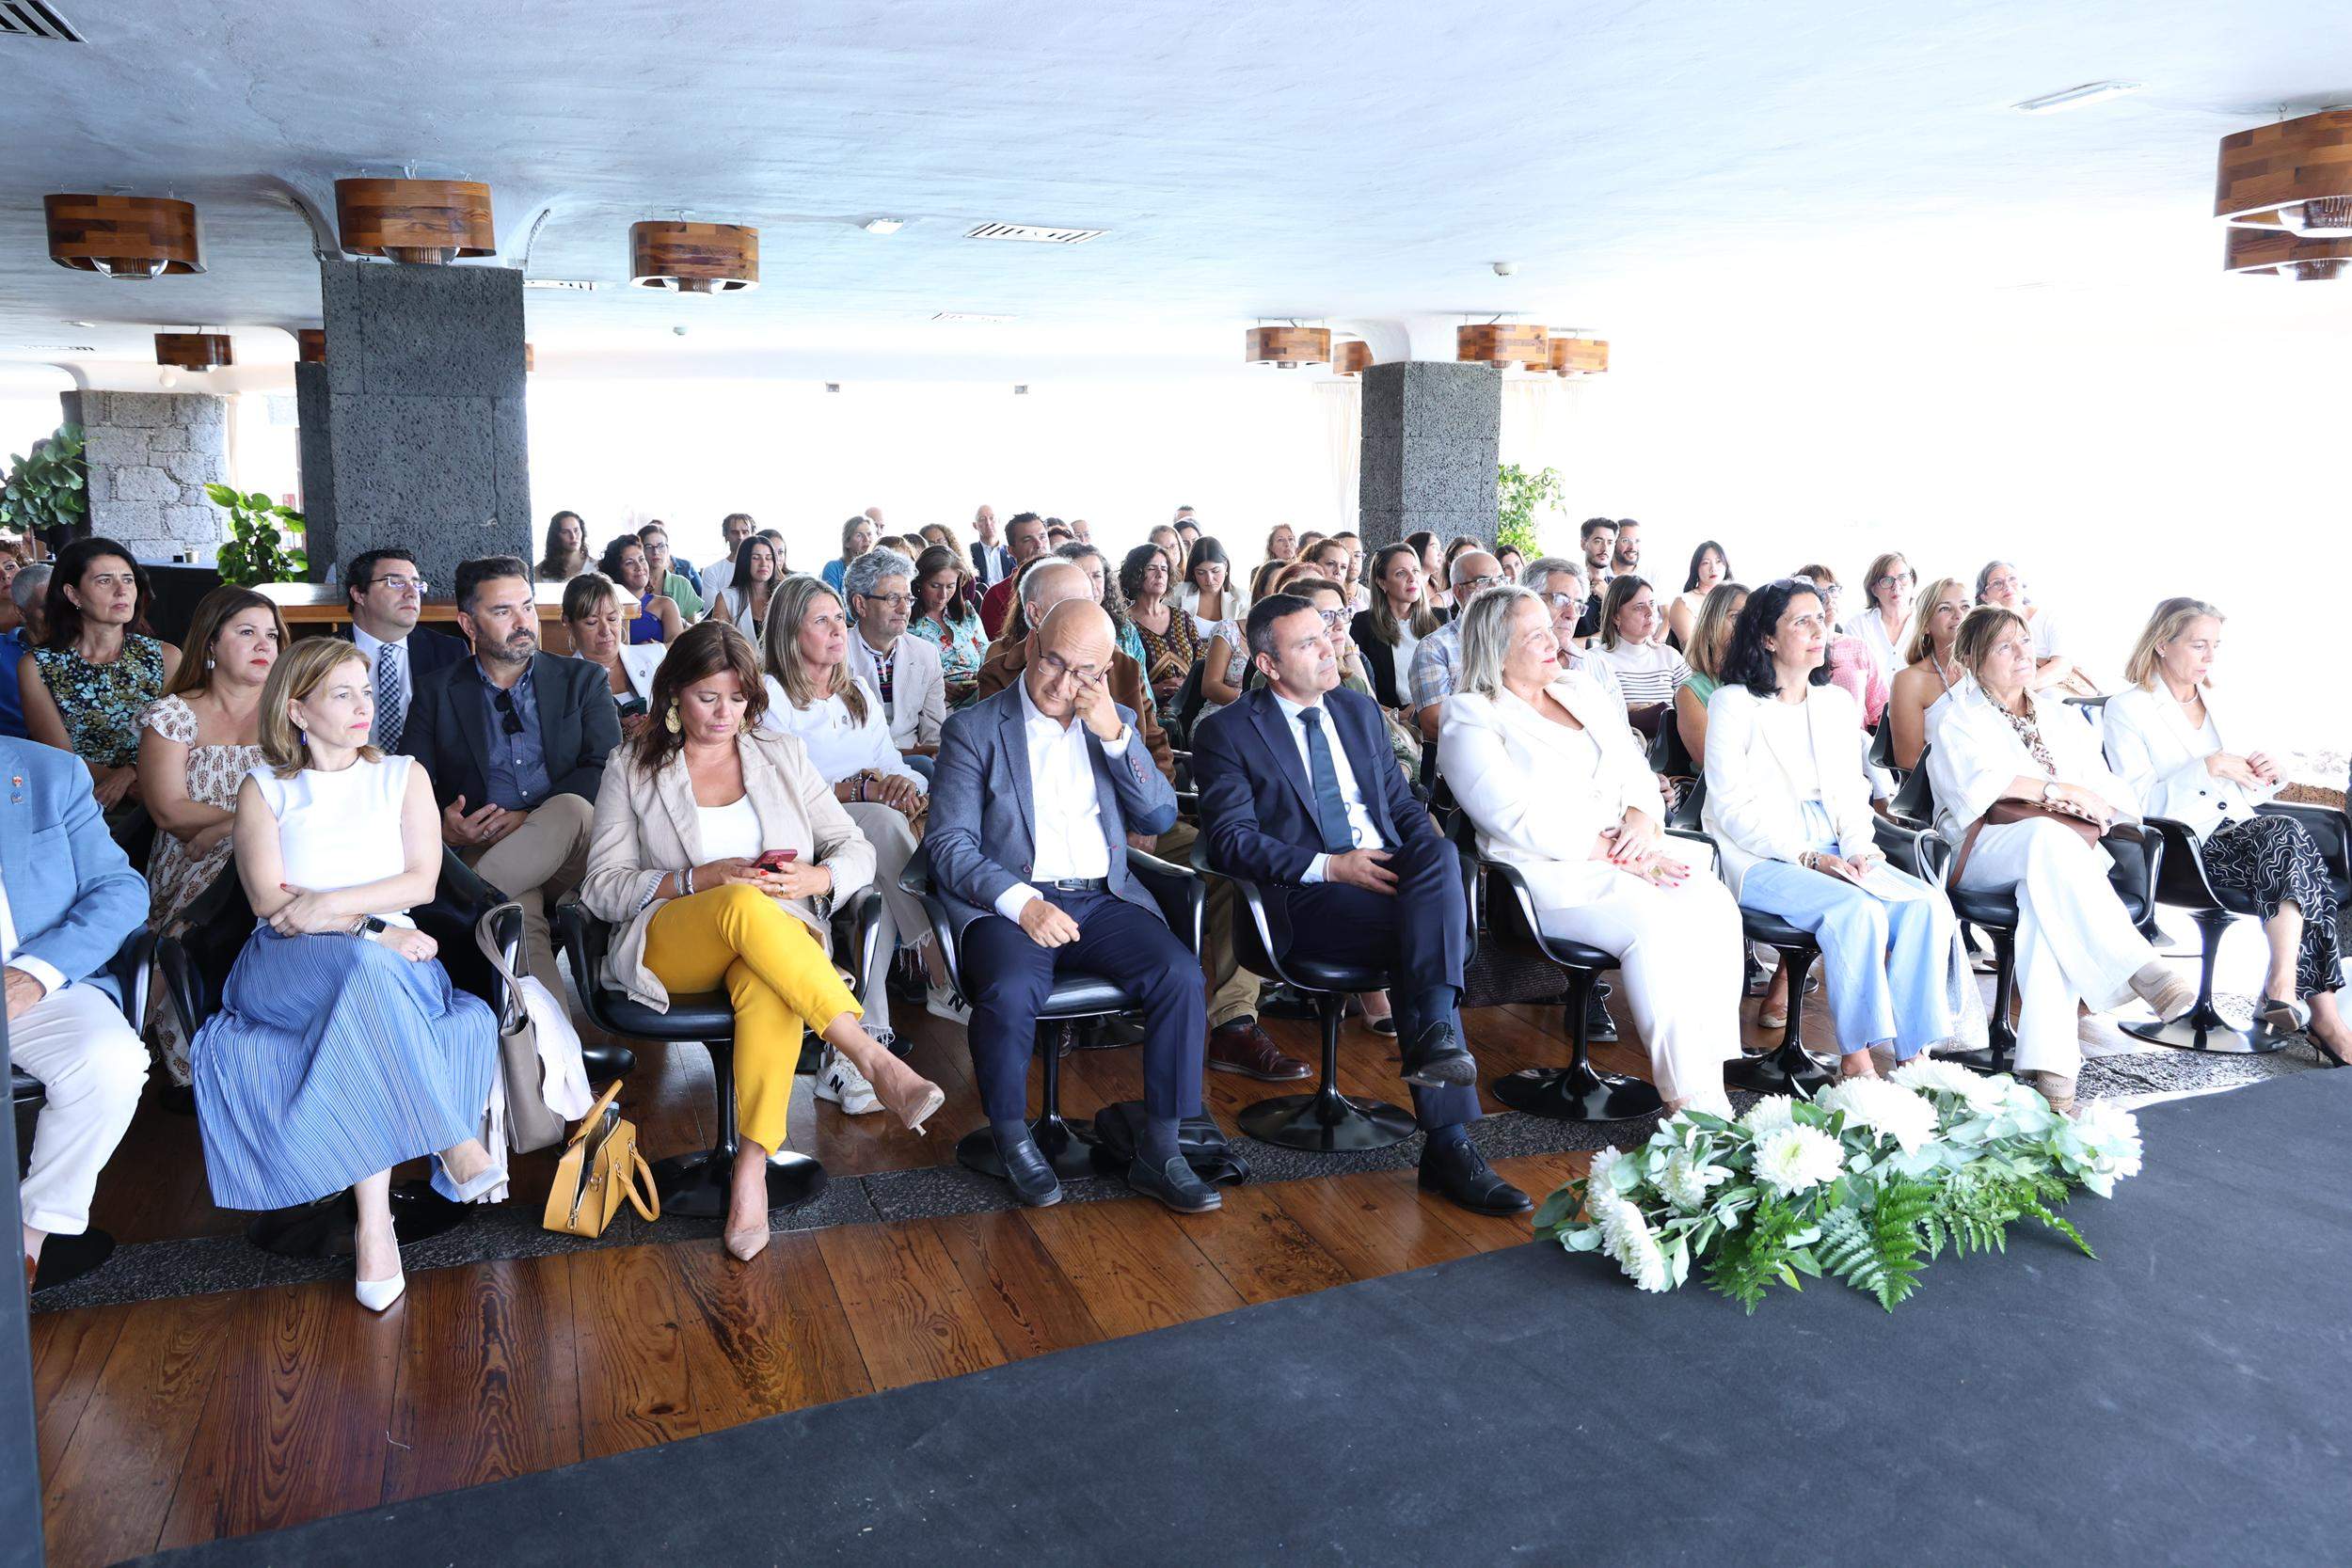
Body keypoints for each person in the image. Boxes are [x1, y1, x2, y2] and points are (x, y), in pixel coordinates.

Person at [582, 621, 942, 1259]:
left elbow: (853, 843)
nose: (726, 714)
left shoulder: (780, 755)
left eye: (739, 698)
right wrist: (698, 877)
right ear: (674, 694)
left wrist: (819, 875)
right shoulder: (630, 765)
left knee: (767, 983)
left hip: (774, 942)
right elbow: (603, 888)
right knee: (743, 903)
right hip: (672, 942)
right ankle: (871, 1056)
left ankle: (750, 1170)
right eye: (708, 697)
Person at [194, 638, 509, 1314]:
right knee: (366, 961)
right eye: (343, 694)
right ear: (299, 710)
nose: (364, 706)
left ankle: (374, 1222)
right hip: (286, 967)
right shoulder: (266, 789)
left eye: (366, 691)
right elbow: (271, 907)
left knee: (367, 976)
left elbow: (421, 879)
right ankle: (450, 1134)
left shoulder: (403, 775)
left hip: (394, 965)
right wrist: (373, 927)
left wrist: (334, 906)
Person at [1193, 594, 1526, 1216]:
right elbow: (1233, 841)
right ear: (1267, 663)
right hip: (1306, 897)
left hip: (1391, 881)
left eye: (1326, 635)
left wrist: (1417, 855)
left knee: (1439, 854)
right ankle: (1449, 1140)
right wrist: (1332, 865)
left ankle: (1430, 1044)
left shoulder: (1355, 710)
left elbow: (1400, 807)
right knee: (1418, 929)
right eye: (1307, 644)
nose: (1328, 649)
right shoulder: (1227, 731)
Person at [929, 599, 1217, 1213]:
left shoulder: (1111, 725)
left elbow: (1161, 815)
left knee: (1180, 975)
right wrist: (1023, 904)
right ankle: (1011, 1136)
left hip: (1103, 897)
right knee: (1009, 990)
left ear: (1106, 669)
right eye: (1053, 662)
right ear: (1032, 645)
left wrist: (1115, 736)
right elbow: (948, 845)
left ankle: (1161, 1148)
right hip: (1011, 901)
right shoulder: (974, 729)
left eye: (1083, 672)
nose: (1063, 684)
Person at [1439, 589, 1740, 1113]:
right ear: (1496, 649)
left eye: (1549, 627)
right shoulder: (1471, 714)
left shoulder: (1581, 690)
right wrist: (1612, 849)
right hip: (1545, 877)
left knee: (1713, 904)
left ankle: (1715, 1075)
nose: (1555, 638)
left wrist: (1644, 820)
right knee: (1653, 925)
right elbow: (1508, 815)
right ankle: (1690, 1103)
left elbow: (1635, 771)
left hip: (1633, 852)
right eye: (1534, 634)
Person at [1927, 606, 2196, 1110]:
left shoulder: (2058, 714)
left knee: (2045, 911)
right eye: (2004, 646)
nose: (2022, 653)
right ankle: (2143, 968)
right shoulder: (1955, 714)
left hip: (2057, 860)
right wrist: (2057, 790)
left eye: (2024, 641)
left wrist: (2097, 804)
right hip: (1979, 848)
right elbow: (1976, 789)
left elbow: (2109, 787)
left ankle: (2052, 1074)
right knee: (2047, 840)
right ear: (1972, 658)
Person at [1703, 578, 1960, 1078]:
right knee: (1856, 910)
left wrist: (1862, 850)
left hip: (1837, 839)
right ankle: (1856, 1058)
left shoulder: (1836, 704)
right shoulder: (1733, 703)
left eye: (1821, 618)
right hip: (1760, 852)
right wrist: (1809, 857)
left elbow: (1850, 795)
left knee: (1928, 904)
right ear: (1768, 638)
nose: (1818, 629)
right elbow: (1732, 810)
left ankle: (1913, 1056)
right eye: (1801, 621)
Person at [2103, 598, 2347, 1059]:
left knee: (2289, 846)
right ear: (2161, 644)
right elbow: (2133, 806)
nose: (2210, 657)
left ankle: (2286, 989)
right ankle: (2314, 1013)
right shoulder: (2128, 709)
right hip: (2182, 850)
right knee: (2290, 844)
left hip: (2246, 839)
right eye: (2199, 645)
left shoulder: (2223, 703)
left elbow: (2250, 789)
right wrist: (2207, 767)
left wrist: (2271, 772)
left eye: (2215, 645)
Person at [401, 555, 620, 1020]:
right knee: (519, 921)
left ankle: (453, 906)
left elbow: (606, 768)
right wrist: (446, 824)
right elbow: (412, 780)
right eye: (503, 612)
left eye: (526, 606)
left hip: (577, 854)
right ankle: (556, 1069)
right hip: (491, 851)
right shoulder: (437, 691)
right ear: (468, 623)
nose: (523, 623)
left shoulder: (582, 681)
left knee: (570, 809)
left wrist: (527, 818)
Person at [759, 575, 958, 1078]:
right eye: (820, 621)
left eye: (837, 620)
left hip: (863, 829)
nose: (837, 631)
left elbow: (890, 759)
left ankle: (866, 1039)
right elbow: (781, 784)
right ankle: (938, 965)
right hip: (802, 828)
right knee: (883, 824)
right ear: (789, 632)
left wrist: (904, 785)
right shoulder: (770, 695)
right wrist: (861, 790)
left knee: (874, 884)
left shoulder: (858, 692)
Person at [5, 736, 148, 1295]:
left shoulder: (47, 774)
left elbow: (118, 888)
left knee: (109, 1064)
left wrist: (36, 973)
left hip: (39, 981)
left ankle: (28, 1238)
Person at [135, 587, 285, 1083]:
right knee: (226, 876)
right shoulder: (175, 714)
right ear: (211, 644)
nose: (265, 644)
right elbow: (168, 810)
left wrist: (235, 823)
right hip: (190, 857)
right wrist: (245, 828)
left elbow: (315, 794)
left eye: (271, 634)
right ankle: (189, 1049)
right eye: (247, 633)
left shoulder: (294, 711)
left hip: (277, 848)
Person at [18, 537, 181, 809]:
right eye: (104, 580)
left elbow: (182, 739)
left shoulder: (165, 656)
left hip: (160, 793)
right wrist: (122, 783)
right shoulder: (38, 666)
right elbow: (61, 756)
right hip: (79, 799)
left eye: (128, 580)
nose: (121, 591)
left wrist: (131, 773)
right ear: (73, 595)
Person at [339, 546, 468, 753]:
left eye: (417, 585)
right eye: (396, 583)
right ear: (359, 594)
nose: (411, 593)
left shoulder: (449, 652)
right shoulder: (321, 654)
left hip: (426, 779)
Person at [843, 547, 947, 765]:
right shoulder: (837, 655)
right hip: (858, 765)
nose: (903, 609)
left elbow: (934, 734)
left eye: (907, 598)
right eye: (892, 598)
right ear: (860, 604)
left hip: (919, 763)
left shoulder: (926, 654)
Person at [1407, 548, 1508, 741]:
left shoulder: (1519, 638)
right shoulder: (1435, 647)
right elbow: (1434, 724)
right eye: (1484, 582)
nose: (1496, 589)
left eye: (1501, 580)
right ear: (1457, 592)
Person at [1521, 558, 1628, 718]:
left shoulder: (1597, 666)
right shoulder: (1507, 666)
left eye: (1578, 605)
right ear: (1526, 601)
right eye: (1560, 600)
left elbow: (1622, 733)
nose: (1571, 614)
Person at [1586, 576, 1691, 737]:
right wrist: (1628, 710)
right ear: (1616, 616)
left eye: (1652, 604)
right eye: (1639, 607)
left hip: (1675, 750)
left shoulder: (1669, 656)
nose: (1650, 613)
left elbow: (1696, 705)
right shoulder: (1595, 660)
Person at [1885, 575, 1970, 770]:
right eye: (1945, 608)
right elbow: (1908, 760)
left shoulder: (1987, 670)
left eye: (1965, 606)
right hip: (1943, 788)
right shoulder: (1909, 681)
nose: (1959, 615)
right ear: (1925, 626)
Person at [1350, 541, 1444, 716]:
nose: (1412, 578)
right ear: (1382, 583)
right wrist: (1397, 715)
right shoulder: (1364, 624)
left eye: (1415, 570)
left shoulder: (1441, 618)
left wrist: (1419, 707)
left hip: (1436, 716)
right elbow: (1360, 686)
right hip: (1391, 723)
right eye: (1401, 573)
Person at [564, 571, 662, 736]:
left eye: (612, 619)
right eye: (591, 622)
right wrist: (615, 732)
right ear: (567, 622)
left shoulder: (656, 656)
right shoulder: (564, 683)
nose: (605, 631)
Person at [1791, 563, 1888, 730]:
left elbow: (1880, 708)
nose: (1829, 599)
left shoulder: (1857, 647)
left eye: (1832, 589)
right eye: (1820, 592)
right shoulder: (1794, 650)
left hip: (1858, 745)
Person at [1977, 561, 2096, 695]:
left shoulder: (2048, 617)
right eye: (1997, 583)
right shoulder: (1983, 634)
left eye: (2012, 579)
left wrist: (2019, 690)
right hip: (2013, 700)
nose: (2007, 586)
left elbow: (2062, 666)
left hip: (2058, 693)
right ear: (1984, 596)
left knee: (2049, 695)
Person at [1673, 581, 1749, 768]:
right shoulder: (1690, 693)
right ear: (1712, 622)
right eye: (1737, 617)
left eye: (1753, 619)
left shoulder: (1767, 681)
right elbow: (1713, 764)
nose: (1748, 626)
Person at [1120, 542, 1201, 711]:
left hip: (1191, 708)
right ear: (1135, 574)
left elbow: (1202, 663)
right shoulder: (1123, 625)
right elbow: (1123, 680)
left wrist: (1187, 685)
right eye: (1151, 568)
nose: (1159, 574)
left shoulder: (1183, 618)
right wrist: (1152, 690)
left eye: (1164, 569)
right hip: (1148, 713)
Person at [910, 544, 989, 709]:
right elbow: (902, 673)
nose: (943, 595)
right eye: (935, 586)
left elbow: (987, 656)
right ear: (919, 583)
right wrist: (934, 685)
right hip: (931, 705)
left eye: (950, 586)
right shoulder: (906, 623)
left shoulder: (967, 613)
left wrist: (980, 680)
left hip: (979, 699)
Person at [598, 535, 684, 644]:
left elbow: (678, 650)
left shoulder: (666, 605)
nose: (639, 567)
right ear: (617, 570)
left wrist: (656, 649)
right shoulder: (603, 608)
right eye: (629, 562)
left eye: (642, 560)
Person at [0, 562, 51, 740]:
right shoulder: (4, 650)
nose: (59, 613)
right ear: (21, 612)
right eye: (47, 607)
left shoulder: (90, 647)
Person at [979, 513, 1049, 636]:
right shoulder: (996, 595)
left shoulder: (1071, 581)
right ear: (1011, 551)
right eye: (1027, 540)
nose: (1039, 544)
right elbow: (998, 650)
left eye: (1042, 537)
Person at [1852, 552, 1915, 676]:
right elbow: (1853, 679)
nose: (1896, 586)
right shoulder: (1858, 626)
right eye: (1887, 580)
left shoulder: (1927, 623)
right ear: (1873, 589)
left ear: (1912, 581)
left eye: (1902, 577)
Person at [710, 533, 782, 642]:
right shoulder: (726, 598)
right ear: (744, 561)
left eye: (769, 558)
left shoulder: (784, 595)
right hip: (740, 659)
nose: (764, 563)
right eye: (756, 558)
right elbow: (719, 644)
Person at [1668, 540, 1733, 649]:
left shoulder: (1736, 597)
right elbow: (1691, 650)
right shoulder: (1684, 602)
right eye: (1705, 563)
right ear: (1696, 568)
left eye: (1718, 561)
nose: (1713, 568)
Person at [638, 522, 706, 622]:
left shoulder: (682, 584)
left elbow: (692, 628)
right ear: (640, 550)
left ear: (668, 549)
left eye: (661, 546)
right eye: (648, 547)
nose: (655, 552)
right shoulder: (633, 583)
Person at [1179, 535, 1246, 633]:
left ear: (1226, 566)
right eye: (1201, 573)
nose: (1209, 579)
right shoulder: (1178, 593)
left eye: (1215, 571)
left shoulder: (1243, 599)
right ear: (1193, 573)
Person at [698, 512, 758, 607]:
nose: (740, 537)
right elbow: (711, 610)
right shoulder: (712, 571)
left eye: (745, 532)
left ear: (753, 535)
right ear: (726, 536)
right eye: (735, 532)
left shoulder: (762, 567)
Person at [1574, 517, 1618, 639]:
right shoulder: (1571, 585)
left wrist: (1608, 597)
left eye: (1610, 542)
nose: (1604, 549)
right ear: (1583, 544)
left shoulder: (1621, 588)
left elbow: (1630, 631)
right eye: (1598, 541)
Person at [824, 515, 878, 594]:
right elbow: (830, 603)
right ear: (847, 543)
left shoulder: (877, 569)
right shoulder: (833, 568)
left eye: (869, 534)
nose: (867, 539)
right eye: (859, 535)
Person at [536, 510, 589, 583]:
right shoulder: (539, 572)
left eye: (576, 530)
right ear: (555, 536)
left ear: (582, 531)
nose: (573, 536)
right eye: (565, 532)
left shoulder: (597, 567)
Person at [969, 505, 1014, 586]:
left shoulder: (1012, 551)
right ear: (975, 525)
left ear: (999, 521)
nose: (988, 523)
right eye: (982, 519)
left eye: (992, 518)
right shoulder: (969, 553)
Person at [1408, 531, 1449, 610]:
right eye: (1434, 547)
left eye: (1440, 549)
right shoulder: (1406, 584)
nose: (1441, 554)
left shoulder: (1439, 587)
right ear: (1419, 550)